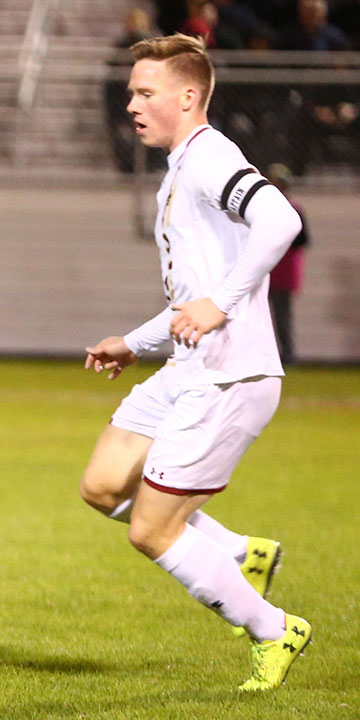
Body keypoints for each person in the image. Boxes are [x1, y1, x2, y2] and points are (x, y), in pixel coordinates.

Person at [80, 34, 311, 692]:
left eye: (144, 92)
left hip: (229, 376)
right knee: (102, 485)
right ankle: (241, 553)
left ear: (188, 96)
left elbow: (280, 220)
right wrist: (133, 339)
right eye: (130, 92)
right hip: (188, 367)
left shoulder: (211, 158)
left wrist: (224, 303)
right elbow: (193, 299)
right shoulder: (181, 168)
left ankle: (274, 629)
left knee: (151, 530)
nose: (131, 104)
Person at [265, 163, 309, 365]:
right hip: (264, 270)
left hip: (283, 271)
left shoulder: (294, 210)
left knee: (282, 316)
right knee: (260, 316)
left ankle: (287, 354)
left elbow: (302, 240)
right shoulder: (264, 208)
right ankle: (263, 355)